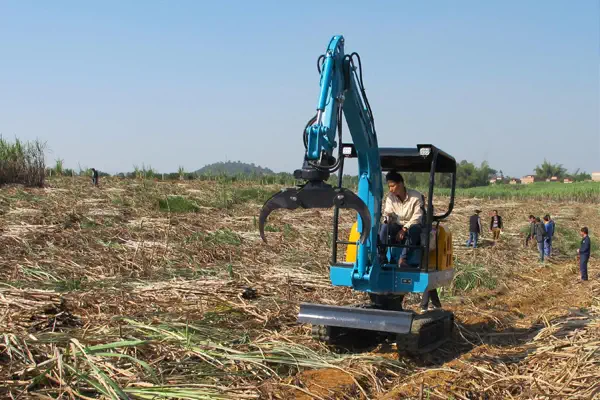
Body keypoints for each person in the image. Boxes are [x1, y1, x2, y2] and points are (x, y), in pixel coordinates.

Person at [379, 171, 424, 267]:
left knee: (414, 229)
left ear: (401, 184)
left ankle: (403, 259)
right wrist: (387, 219)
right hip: (397, 226)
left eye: (392, 186)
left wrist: (404, 229)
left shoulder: (415, 197)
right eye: (389, 187)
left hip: (412, 226)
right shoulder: (390, 198)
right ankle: (382, 256)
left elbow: (417, 217)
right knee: (384, 227)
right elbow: (388, 213)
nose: (390, 189)